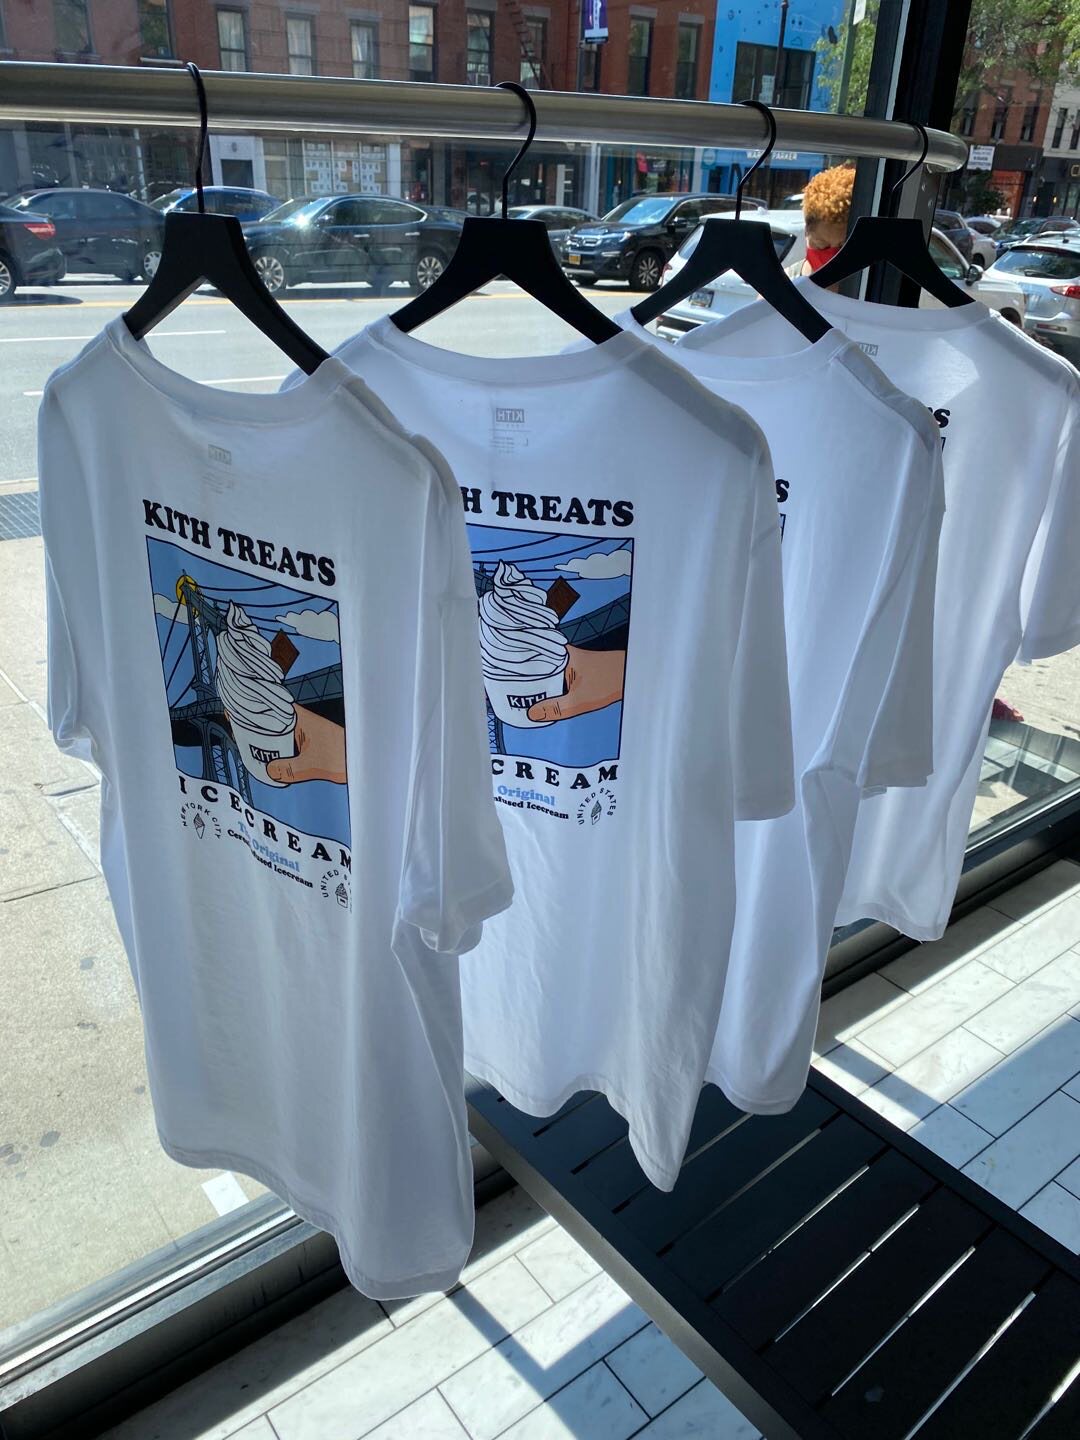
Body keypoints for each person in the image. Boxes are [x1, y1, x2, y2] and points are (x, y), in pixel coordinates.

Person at [798, 163, 855, 276]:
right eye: (822, 246)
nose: (831, 258)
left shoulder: (871, 282)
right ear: (806, 232)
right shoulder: (783, 283)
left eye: (843, 247)